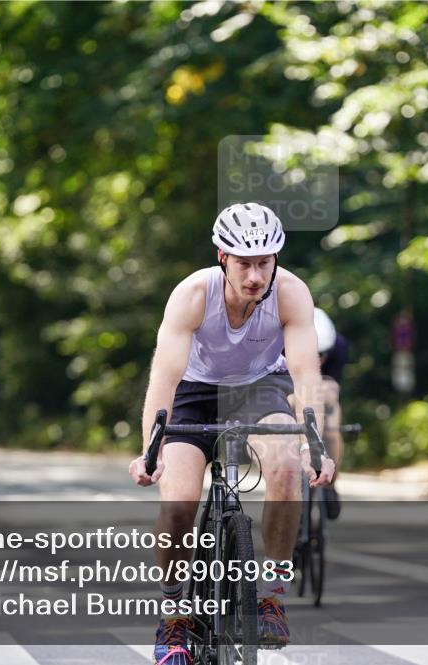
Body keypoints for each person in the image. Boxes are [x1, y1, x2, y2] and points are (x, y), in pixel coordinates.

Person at [129, 203, 334, 665]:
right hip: (194, 391)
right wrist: (151, 450)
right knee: (178, 502)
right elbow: (163, 377)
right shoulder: (193, 295)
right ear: (223, 257)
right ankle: (175, 614)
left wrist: (313, 445)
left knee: (284, 467)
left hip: (261, 388)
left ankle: (271, 597)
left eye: (265, 262)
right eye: (244, 262)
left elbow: (305, 374)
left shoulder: (292, 293)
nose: (256, 275)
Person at [312, 308, 348, 519]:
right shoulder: (280, 345)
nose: (317, 360)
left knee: (332, 429)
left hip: (323, 386)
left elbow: (333, 387)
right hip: (291, 383)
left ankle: (330, 486)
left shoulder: (339, 346)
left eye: (322, 355)